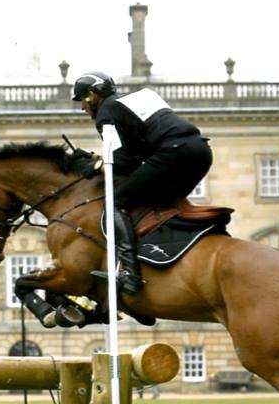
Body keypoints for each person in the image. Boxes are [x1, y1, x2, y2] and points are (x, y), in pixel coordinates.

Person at [72, 71, 213, 294]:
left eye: (82, 100)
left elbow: (123, 161)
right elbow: (134, 156)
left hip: (173, 155)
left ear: (92, 95)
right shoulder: (132, 101)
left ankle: (131, 273)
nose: (82, 108)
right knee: (160, 204)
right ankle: (163, 252)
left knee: (116, 203)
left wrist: (94, 168)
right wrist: (98, 159)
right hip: (200, 152)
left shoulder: (106, 112)